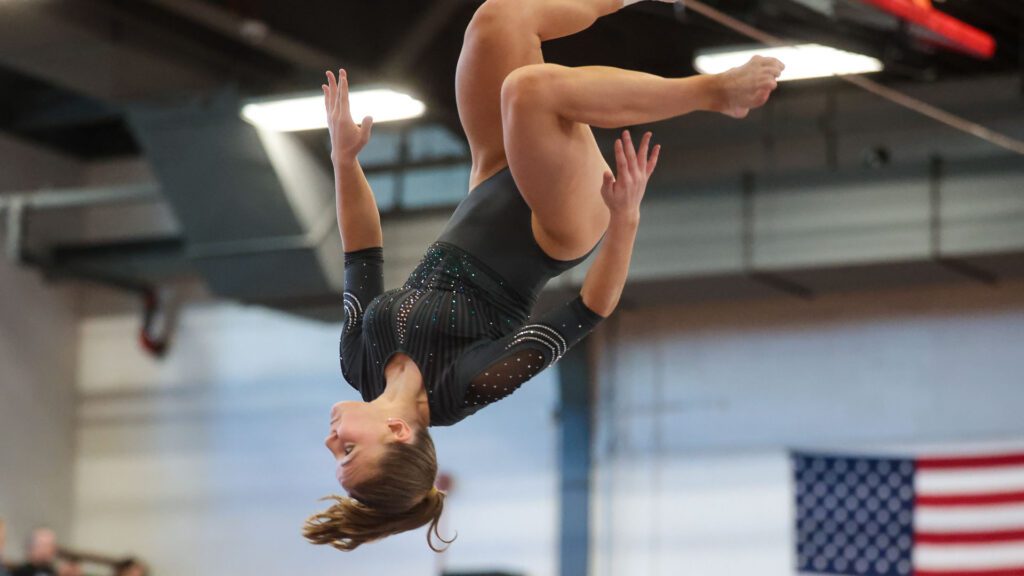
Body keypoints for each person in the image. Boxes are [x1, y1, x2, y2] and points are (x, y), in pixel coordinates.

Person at [305, 0, 783, 552]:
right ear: (398, 433)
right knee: (530, 90)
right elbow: (586, 312)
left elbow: (361, 251)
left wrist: (345, 161)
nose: (331, 438)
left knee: (497, 19)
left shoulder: (356, 360)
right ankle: (713, 93)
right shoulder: (465, 387)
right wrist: (625, 219)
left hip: (492, 178)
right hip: (557, 225)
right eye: (347, 451)